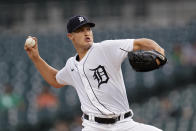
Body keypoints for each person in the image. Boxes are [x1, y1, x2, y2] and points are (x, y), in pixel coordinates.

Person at [24, 15, 164, 131]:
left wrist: (159, 50)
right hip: (93, 127)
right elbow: (55, 79)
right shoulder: (71, 65)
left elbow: (139, 43)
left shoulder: (105, 48)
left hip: (124, 124)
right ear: (70, 36)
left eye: (88, 29)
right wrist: (36, 58)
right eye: (80, 30)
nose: (86, 32)